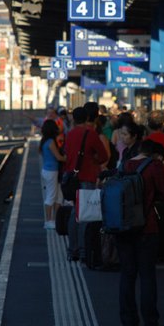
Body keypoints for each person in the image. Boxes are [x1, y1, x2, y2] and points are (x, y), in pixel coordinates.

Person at [117, 139, 164, 326]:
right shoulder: (155, 166)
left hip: (124, 227)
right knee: (147, 276)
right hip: (147, 228)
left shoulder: (125, 164)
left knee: (127, 275)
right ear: (154, 154)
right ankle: (150, 321)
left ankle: (128, 320)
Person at [64, 105, 109, 261]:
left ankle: (72, 250)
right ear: (89, 118)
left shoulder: (69, 134)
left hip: (71, 178)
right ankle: (84, 251)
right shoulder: (91, 134)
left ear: (74, 119)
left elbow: (67, 156)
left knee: (74, 213)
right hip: (87, 178)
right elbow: (103, 156)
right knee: (85, 214)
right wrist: (93, 161)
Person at [39, 119, 66, 229]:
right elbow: (58, 157)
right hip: (52, 171)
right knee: (51, 196)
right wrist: (68, 158)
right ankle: (48, 221)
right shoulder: (50, 142)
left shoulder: (44, 141)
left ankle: (54, 220)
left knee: (57, 196)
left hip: (48, 170)